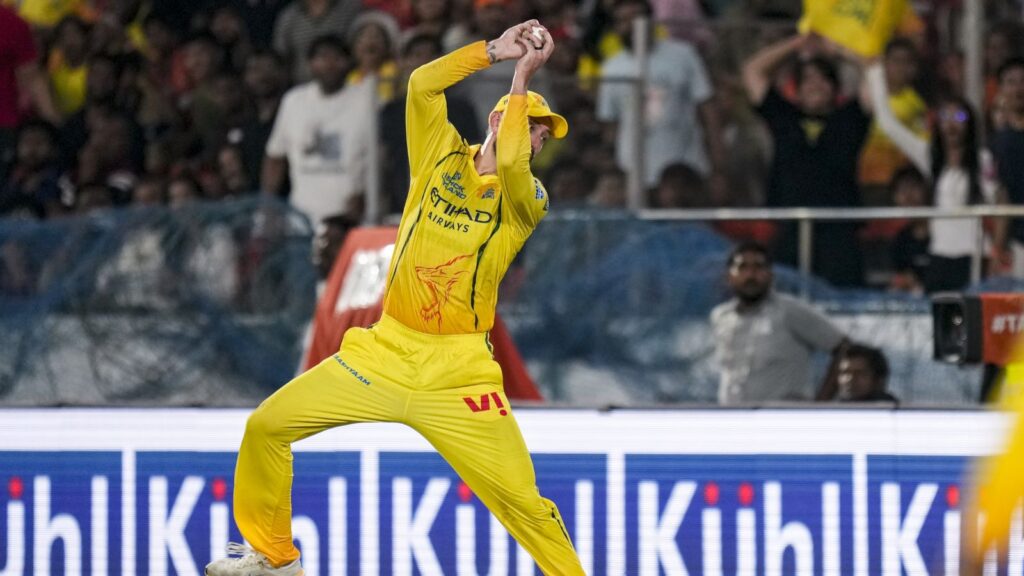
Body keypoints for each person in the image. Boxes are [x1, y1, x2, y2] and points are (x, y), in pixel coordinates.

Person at [205, 20, 585, 576]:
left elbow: (508, 163)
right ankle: (274, 559)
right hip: (383, 353)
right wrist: (494, 53)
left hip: (458, 373)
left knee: (523, 502)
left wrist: (523, 75)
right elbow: (421, 87)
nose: (534, 141)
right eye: (529, 127)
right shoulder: (440, 158)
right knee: (267, 426)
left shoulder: (527, 197)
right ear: (496, 118)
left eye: (542, 137)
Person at [742, 34, 871, 287]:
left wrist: (838, 50)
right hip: (791, 228)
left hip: (839, 231)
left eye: (823, 79)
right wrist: (796, 44)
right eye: (807, 79)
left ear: (835, 88)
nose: (815, 85)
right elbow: (752, 70)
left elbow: (873, 73)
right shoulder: (784, 116)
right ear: (797, 90)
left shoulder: (850, 118)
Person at [867, 59, 1006, 292]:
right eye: (945, 117)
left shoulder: (982, 161)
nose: (952, 125)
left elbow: (1000, 204)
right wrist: (874, 72)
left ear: (970, 122)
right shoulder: (930, 159)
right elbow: (888, 124)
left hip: (973, 256)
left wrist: (997, 252)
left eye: (959, 118)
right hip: (939, 256)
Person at [597, 0, 724, 193]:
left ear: (651, 21)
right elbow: (610, 126)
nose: (631, 26)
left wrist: (719, 168)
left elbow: (708, 111)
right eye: (624, 21)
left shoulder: (683, 55)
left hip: (686, 170)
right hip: (635, 175)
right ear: (616, 27)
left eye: (636, 19)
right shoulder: (612, 68)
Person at [710, 242, 848, 405]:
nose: (750, 275)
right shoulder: (721, 316)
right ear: (729, 277)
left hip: (782, 421)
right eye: (742, 267)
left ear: (770, 275)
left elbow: (844, 348)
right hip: (733, 418)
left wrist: (821, 403)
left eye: (758, 267)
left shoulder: (790, 311)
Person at [261, 34, 373, 231]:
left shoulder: (366, 99)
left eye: (337, 58)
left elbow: (380, 157)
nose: (329, 64)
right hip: (301, 222)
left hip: (351, 221)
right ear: (310, 64)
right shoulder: (294, 101)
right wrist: (267, 207)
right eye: (322, 58)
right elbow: (275, 157)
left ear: (348, 63)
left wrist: (366, 194)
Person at [991, 58, 1024, 277]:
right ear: (1001, 90)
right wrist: (997, 251)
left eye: (1023, 81)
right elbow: (1001, 196)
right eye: (1011, 82)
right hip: (1018, 246)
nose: (1019, 88)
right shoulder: (995, 143)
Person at [834, 344, 898, 403]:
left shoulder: (890, 411)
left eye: (859, 373)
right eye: (845, 373)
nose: (849, 379)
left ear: (877, 380)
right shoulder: (833, 411)